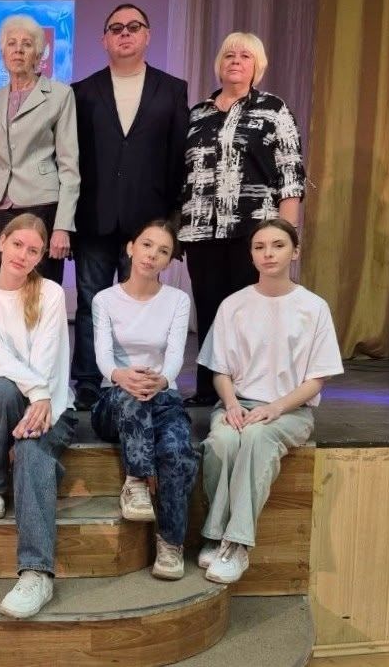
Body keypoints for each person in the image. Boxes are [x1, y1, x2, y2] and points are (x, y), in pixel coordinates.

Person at [198, 218, 342, 584]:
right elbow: (220, 370)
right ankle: (214, 535)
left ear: (295, 252)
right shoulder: (233, 305)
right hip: (238, 403)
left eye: (278, 245)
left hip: (289, 410)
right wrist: (231, 404)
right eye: (260, 247)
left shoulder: (314, 307)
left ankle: (237, 544)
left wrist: (276, 408)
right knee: (222, 441)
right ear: (251, 255)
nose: (268, 253)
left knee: (257, 438)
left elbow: (318, 378)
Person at [70, 3, 189, 411]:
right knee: (91, 301)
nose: (125, 33)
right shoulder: (82, 92)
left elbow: (178, 157)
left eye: (134, 26)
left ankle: (135, 378)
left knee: (139, 304)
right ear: (104, 39)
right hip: (94, 216)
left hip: (148, 221)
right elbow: (73, 157)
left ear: (147, 35)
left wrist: (170, 220)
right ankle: (89, 381)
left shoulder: (171, 89)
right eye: (116, 27)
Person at [179, 32, 307, 406]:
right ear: (219, 64)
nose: (236, 60)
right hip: (201, 231)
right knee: (210, 310)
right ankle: (209, 389)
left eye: (245, 56)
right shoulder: (197, 114)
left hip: (254, 232)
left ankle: (250, 388)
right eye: (229, 55)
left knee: (250, 312)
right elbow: (182, 174)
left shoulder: (273, 110)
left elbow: (290, 175)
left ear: (257, 67)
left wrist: (286, 236)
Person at [0, 213, 77, 618]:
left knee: (31, 450)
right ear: (1, 242)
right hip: (6, 398)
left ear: (41, 256)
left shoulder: (50, 292)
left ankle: (36, 573)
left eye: (33, 250)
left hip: (54, 402)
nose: (23, 255)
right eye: (17, 245)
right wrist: (35, 393)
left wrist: (43, 401)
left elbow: (49, 357)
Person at [89, 219, 198, 580]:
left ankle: (171, 543)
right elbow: (103, 356)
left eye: (163, 251)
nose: (152, 255)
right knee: (131, 394)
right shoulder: (105, 299)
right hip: (114, 401)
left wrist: (162, 380)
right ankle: (136, 480)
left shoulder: (177, 300)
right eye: (147, 245)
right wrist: (121, 376)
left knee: (177, 450)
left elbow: (175, 355)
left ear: (169, 261)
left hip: (161, 395)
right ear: (131, 247)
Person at [0, 14, 79, 285]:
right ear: (3, 53)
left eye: (27, 44)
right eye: (11, 44)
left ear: (39, 53)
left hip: (41, 205)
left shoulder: (60, 95)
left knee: (39, 291)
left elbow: (69, 165)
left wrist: (62, 225)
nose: (18, 50)